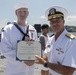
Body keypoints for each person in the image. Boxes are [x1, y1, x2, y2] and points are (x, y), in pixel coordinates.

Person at [35, 6, 76, 75]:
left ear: (63, 21)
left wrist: (45, 63)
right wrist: (31, 55)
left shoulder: (71, 41)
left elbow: (69, 71)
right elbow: (46, 56)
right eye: (51, 21)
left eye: (57, 20)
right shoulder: (51, 39)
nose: (54, 23)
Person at [0, 2, 38, 75]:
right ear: (16, 13)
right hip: (15, 70)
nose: (22, 14)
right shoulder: (8, 29)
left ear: (28, 13)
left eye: (24, 11)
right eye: (20, 11)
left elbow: (36, 48)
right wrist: (23, 58)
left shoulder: (32, 29)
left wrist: (34, 58)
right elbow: (5, 50)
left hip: (30, 70)